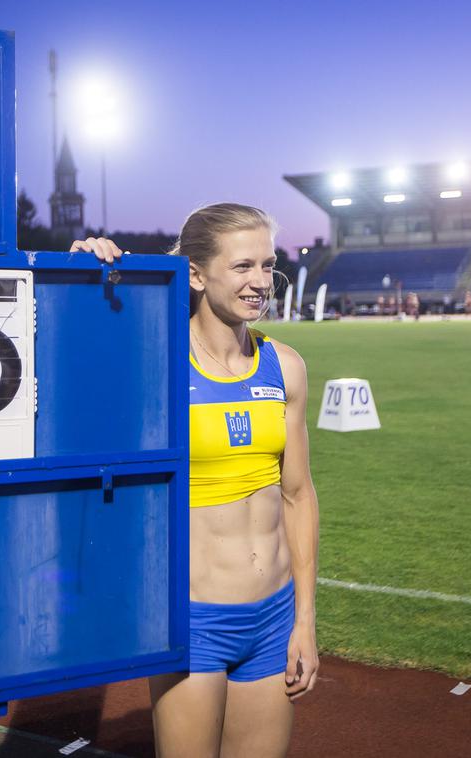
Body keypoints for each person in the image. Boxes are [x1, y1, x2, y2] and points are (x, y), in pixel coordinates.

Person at [71, 204, 320, 757]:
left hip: (273, 617)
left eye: (268, 265)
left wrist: (304, 620)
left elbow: (298, 495)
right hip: (194, 622)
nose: (260, 282)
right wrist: (81, 278)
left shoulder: (286, 367)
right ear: (196, 274)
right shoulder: (155, 364)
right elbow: (73, 368)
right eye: (242, 267)